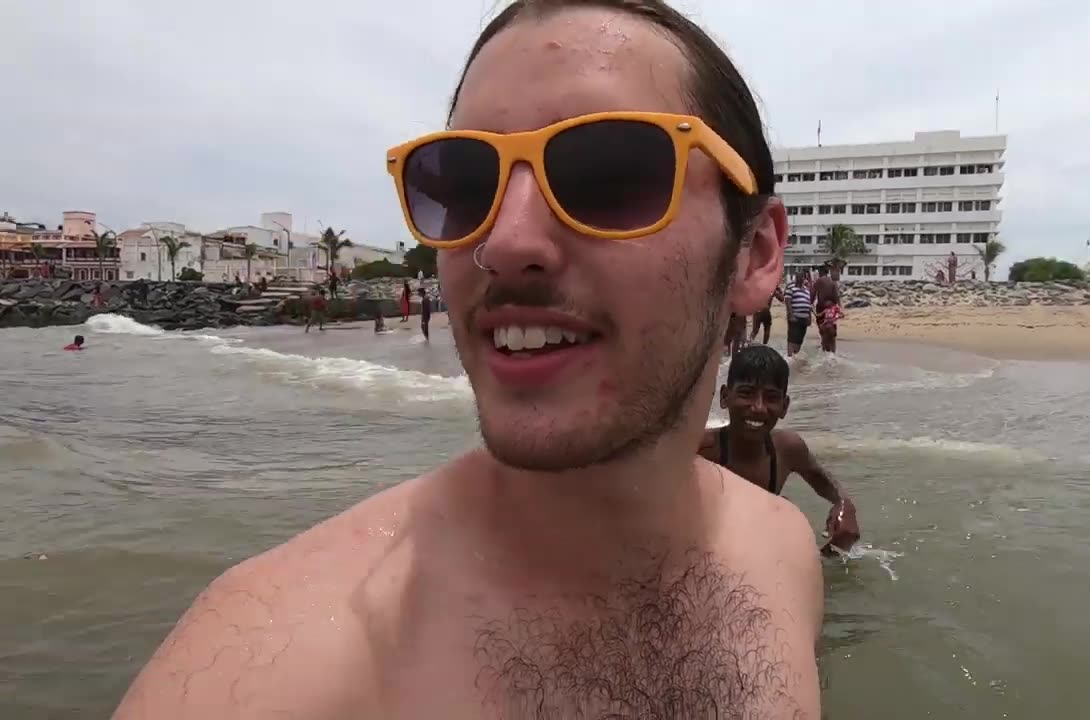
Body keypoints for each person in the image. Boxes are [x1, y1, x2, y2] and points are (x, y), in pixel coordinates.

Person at [112, 2, 821, 718]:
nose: (504, 241)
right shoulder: (267, 668)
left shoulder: (780, 556)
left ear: (755, 253)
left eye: (608, 174)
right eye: (466, 187)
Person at [699, 345, 860, 554]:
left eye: (771, 397)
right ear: (724, 397)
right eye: (746, 394)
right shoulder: (701, 449)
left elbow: (820, 480)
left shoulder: (787, 449)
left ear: (784, 406)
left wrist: (844, 505)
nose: (758, 407)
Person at [784, 270, 813, 356]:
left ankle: (795, 356)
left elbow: (808, 305)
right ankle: (789, 357)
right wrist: (791, 314)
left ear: (804, 278)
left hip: (804, 319)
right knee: (792, 338)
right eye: (798, 277)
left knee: (799, 340)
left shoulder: (806, 290)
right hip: (795, 317)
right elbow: (787, 301)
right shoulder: (791, 287)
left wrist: (809, 317)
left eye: (801, 277)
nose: (799, 278)